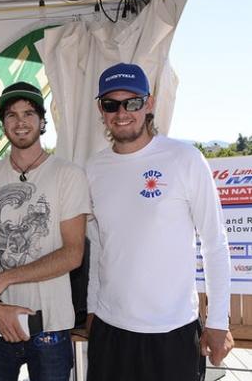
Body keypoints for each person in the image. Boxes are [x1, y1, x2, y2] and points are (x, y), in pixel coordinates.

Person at [86, 63, 234, 381]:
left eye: (133, 102)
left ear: (149, 103)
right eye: (111, 104)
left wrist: (219, 321)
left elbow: (214, 242)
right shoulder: (94, 168)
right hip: (111, 331)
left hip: (173, 333)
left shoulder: (185, 159)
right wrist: (91, 308)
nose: (122, 112)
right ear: (101, 108)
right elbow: (99, 243)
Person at [0, 82, 90, 381]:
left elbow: (73, 254)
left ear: (42, 120)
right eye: (11, 115)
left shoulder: (68, 174)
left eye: (28, 113)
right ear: (2, 124)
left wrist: (4, 278)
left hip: (50, 326)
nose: (20, 121)